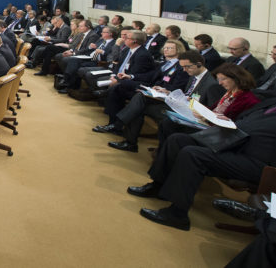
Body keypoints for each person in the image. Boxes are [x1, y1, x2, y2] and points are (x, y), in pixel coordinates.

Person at [127, 95, 276, 231]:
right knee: (177, 140)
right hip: (234, 141)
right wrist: (228, 121)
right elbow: (246, 119)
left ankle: (177, 214)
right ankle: (158, 186)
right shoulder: (270, 102)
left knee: (193, 154)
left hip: (260, 164)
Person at [107, 50, 220, 152]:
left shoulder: (211, 84)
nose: (184, 70)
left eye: (187, 67)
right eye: (183, 67)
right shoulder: (194, 75)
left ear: (199, 64)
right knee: (140, 99)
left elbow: (210, 110)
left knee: (139, 106)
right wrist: (168, 93)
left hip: (191, 116)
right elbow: (187, 95)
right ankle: (128, 139)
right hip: (180, 107)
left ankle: (121, 129)